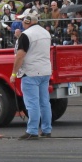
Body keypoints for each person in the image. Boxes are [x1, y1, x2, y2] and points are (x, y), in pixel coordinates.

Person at [10, 10, 52, 140]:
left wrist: (13, 73)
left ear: (28, 21)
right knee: (45, 102)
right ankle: (46, 129)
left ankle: (32, 130)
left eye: (23, 20)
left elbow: (20, 56)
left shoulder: (26, 35)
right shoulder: (46, 33)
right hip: (45, 71)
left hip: (31, 72)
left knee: (32, 103)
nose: (22, 22)